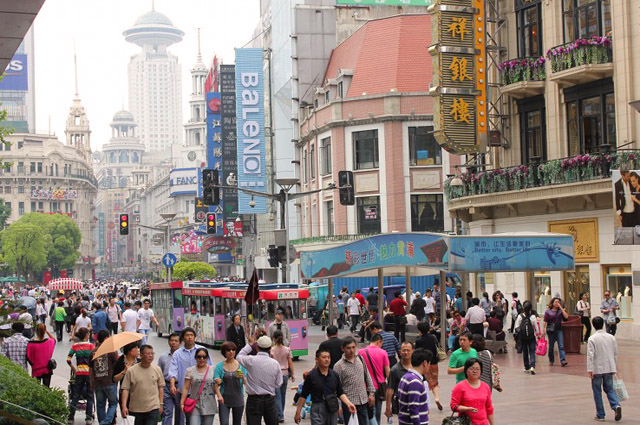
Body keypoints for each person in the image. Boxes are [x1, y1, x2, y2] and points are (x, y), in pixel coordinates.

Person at [294, 349, 357, 425]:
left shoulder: (334, 375)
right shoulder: (311, 376)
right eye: (324, 357)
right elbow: (304, 395)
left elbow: (340, 393)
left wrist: (349, 404)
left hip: (332, 407)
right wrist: (298, 412)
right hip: (317, 407)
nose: (326, 359)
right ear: (317, 360)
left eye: (328, 357)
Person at [168, 327, 212, 424]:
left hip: (202, 392)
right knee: (184, 418)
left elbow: (210, 369)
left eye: (191, 335)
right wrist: (172, 385)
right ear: (183, 338)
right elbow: (173, 371)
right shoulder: (177, 354)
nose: (190, 337)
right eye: (187, 335)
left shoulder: (202, 351)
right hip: (185, 392)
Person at [237, 335, 282, 425]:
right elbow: (279, 383)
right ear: (270, 348)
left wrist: (249, 345)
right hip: (269, 399)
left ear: (257, 347)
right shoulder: (275, 363)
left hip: (254, 399)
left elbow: (239, 356)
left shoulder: (250, 360)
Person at [333, 337, 375, 425]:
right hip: (349, 404)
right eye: (348, 348)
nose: (351, 350)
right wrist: (339, 404)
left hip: (363, 401)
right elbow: (336, 388)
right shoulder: (338, 366)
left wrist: (371, 393)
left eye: (353, 347)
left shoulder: (360, 359)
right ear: (343, 349)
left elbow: (367, 376)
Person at [587, 316, 622, 422]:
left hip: (597, 368)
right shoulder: (611, 337)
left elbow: (590, 355)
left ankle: (600, 414)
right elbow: (615, 352)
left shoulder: (592, 338)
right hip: (609, 367)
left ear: (593, 326)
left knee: (597, 391)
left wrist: (590, 369)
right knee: (610, 389)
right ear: (602, 324)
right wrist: (614, 366)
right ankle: (616, 405)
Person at [121, 344, 165, 425]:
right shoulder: (131, 371)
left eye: (152, 353)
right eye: (148, 354)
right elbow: (125, 389)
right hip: (136, 409)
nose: (150, 356)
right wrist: (124, 406)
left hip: (153, 407)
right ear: (141, 355)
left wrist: (161, 404)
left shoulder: (157, 369)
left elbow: (161, 387)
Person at [450, 358, 494, 425]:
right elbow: (453, 406)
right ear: (466, 370)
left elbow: (489, 408)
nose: (475, 371)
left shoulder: (485, 387)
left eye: (477, 369)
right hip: (466, 422)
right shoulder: (459, 387)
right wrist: (467, 409)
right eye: (472, 369)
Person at [179, 347, 217, 425]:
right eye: (199, 357)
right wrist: (182, 402)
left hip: (209, 403)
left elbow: (217, 386)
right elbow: (186, 388)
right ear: (195, 358)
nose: (202, 359)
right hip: (195, 403)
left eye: (204, 357)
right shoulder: (190, 370)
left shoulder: (213, 370)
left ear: (207, 358)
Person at [358, 333, 390, 425]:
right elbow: (387, 372)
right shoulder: (383, 352)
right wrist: (391, 386)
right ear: (379, 341)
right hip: (379, 386)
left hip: (365, 387)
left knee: (368, 413)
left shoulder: (361, 352)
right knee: (377, 412)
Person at [214, 342, 247, 425]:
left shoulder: (241, 365)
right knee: (224, 423)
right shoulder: (219, 366)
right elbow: (215, 384)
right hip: (224, 400)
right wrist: (219, 396)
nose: (231, 352)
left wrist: (243, 378)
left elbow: (246, 382)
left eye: (233, 350)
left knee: (237, 422)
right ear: (224, 352)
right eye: (228, 350)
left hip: (238, 399)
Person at [90, 330, 119, 425]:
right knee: (113, 403)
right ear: (106, 338)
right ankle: (105, 423)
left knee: (100, 405)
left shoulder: (93, 352)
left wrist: (91, 382)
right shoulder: (111, 351)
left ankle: (102, 422)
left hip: (98, 383)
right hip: (109, 382)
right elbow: (116, 364)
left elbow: (91, 369)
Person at [68, 327, 96, 424]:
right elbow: (95, 359)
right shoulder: (91, 346)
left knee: (75, 395)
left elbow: (68, 359)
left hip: (79, 373)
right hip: (89, 373)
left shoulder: (74, 346)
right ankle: (88, 418)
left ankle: (71, 417)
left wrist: (73, 368)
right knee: (90, 396)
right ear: (86, 335)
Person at [397, 348, 432, 425]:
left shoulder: (406, 377)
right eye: (429, 363)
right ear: (425, 363)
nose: (429, 366)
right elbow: (413, 408)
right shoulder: (415, 382)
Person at [415, 321, 442, 409]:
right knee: (435, 381)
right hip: (434, 362)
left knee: (426, 381)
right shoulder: (433, 337)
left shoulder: (418, 340)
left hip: (424, 364)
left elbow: (417, 352)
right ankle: (437, 398)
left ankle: (424, 400)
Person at [270, 330, 295, 422]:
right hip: (285, 374)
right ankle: (281, 413)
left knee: (277, 396)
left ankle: (280, 415)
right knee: (283, 395)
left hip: (275, 375)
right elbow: (290, 363)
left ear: (274, 339)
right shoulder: (287, 349)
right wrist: (292, 374)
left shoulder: (272, 350)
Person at [158, 332, 182, 425]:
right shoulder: (163, 357)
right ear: (168, 342)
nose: (173, 343)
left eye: (176, 341)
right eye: (172, 340)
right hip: (166, 386)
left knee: (180, 412)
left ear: (180, 343)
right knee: (167, 412)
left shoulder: (182, 356)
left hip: (179, 386)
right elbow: (159, 372)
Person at [385, 341, 413, 420]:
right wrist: (388, 408)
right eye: (404, 350)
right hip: (401, 405)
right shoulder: (395, 370)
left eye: (408, 350)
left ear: (412, 351)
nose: (406, 352)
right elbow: (390, 389)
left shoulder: (417, 367)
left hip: (415, 402)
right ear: (400, 352)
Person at [514, 300, 539, 374]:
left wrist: (516, 337)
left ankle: (526, 367)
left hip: (522, 337)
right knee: (532, 351)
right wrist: (538, 335)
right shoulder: (533, 317)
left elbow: (517, 327)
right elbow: (536, 328)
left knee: (525, 352)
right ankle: (532, 366)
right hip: (531, 337)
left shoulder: (520, 316)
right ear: (531, 308)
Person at [543, 297, 568, 367]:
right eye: (556, 302)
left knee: (561, 345)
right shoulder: (548, 311)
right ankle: (551, 360)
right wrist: (543, 329)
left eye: (558, 302)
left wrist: (561, 308)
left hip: (559, 329)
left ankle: (563, 360)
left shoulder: (560, 311)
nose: (557, 303)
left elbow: (566, 317)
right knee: (551, 346)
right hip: (550, 330)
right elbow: (545, 321)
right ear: (553, 303)